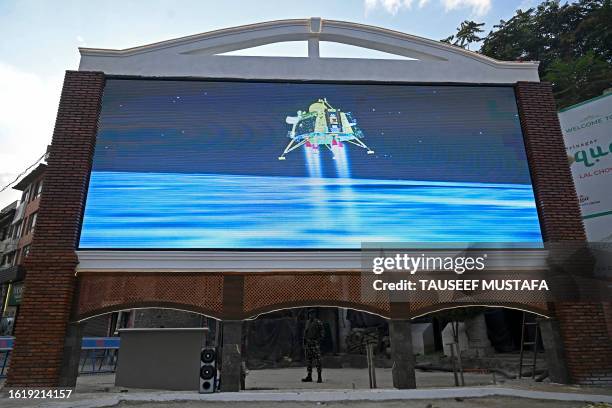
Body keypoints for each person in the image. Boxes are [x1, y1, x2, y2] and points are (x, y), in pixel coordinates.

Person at [302, 309, 324, 383]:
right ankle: (309, 376)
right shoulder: (307, 322)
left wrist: (318, 341)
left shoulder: (318, 322)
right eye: (310, 314)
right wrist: (304, 342)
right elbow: (305, 332)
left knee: (318, 360)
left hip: (315, 343)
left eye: (312, 314)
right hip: (308, 343)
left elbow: (322, 333)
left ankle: (319, 376)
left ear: (315, 314)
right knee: (309, 360)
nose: (311, 315)